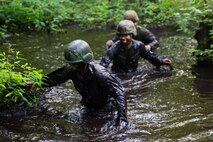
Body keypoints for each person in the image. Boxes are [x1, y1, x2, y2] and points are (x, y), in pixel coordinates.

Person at [28, 40, 128, 130]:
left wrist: (122, 119)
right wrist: (37, 83)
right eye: (71, 63)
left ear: (83, 61)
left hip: (107, 108)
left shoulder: (101, 74)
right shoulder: (71, 69)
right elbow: (54, 79)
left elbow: (120, 93)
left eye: (75, 63)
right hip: (88, 106)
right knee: (83, 129)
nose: (71, 66)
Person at [100, 20, 172, 74]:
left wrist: (161, 61)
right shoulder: (114, 48)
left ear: (132, 35)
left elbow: (150, 57)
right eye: (121, 35)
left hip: (134, 73)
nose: (123, 38)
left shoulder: (139, 46)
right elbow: (103, 65)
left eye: (126, 35)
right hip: (118, 74)